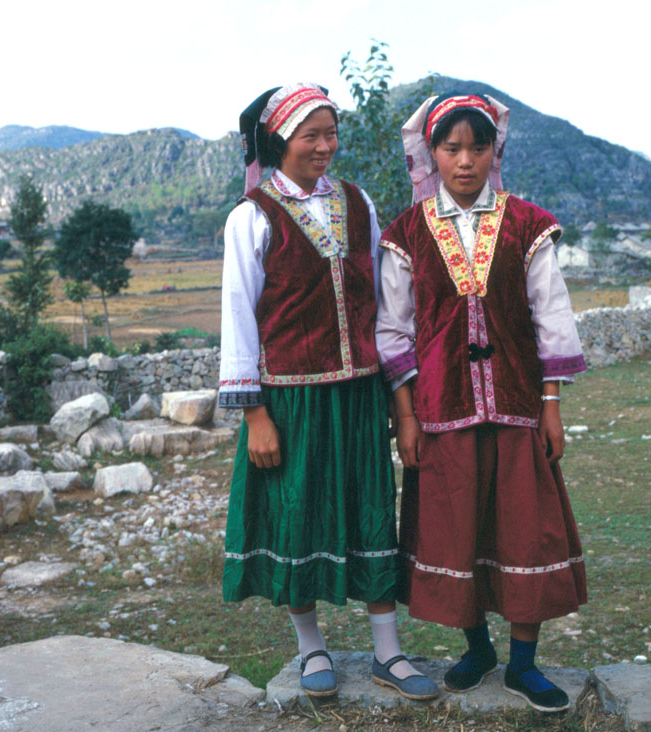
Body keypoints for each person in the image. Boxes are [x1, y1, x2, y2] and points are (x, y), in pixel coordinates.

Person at [218, 83, 438, 701]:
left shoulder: (357, 202)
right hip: (290, 400)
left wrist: (396, 391)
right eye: (310, 135)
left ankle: (388, 652)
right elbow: (238, 316)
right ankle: (311, 646)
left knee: (372, 511)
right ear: (279, 140)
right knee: (298, 515)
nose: (324, 146)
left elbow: (384, 302)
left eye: (330, 133)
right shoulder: (251, 216)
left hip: (359, 394)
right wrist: (254, 415)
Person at [375, 91, 587, 712]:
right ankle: (478, 648)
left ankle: (523, 662)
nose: (465, 160)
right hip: (442, 412)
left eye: (477, 147)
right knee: (455, 530)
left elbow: (551, 314)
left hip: (519, 406)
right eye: (452, 148)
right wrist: (407, 416)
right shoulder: (406, 232)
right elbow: (393, 331)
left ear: (496, 150)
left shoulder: (527, 224)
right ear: (432, 154)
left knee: (526, 529)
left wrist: (551, 404)